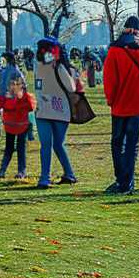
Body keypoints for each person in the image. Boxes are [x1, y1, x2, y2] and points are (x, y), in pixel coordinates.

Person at [101, 15, 139, 195]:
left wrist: (110, 99)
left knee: (117, 143)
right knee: (132, 144)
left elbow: (109, 79)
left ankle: (121, 180)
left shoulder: (115, 50)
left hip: (119, 104)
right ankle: (128, 182)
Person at [34, 17, 82, 190]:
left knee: (49, 145)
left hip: (48, 110)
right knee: (55, 145)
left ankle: (49, 177)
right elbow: (70, 87)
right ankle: (61, 175)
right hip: (56, 110)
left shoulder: (43, 65)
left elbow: (68, 86)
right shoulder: (52, 66)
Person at [0, 77, 35, 179]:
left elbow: (31, 108)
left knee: (21, 148)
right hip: (10, 126)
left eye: (16, 84)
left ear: (21, 86)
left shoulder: (26, 96)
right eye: (12, 84)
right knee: (9, 149)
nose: (14, 87)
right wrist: (3, 97)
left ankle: (21, 171)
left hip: (22, 126)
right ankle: (2, 170)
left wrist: (21, 98)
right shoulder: (6, 96)